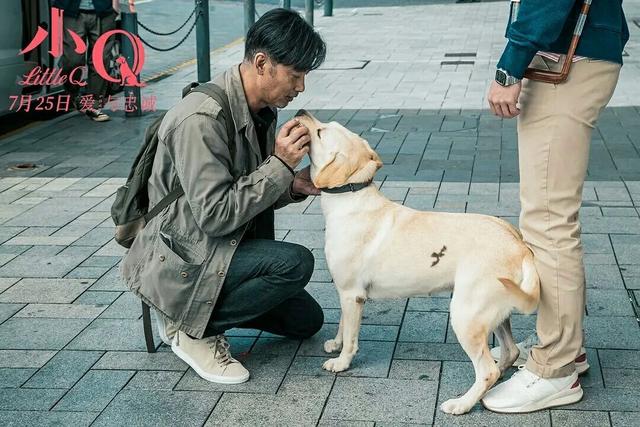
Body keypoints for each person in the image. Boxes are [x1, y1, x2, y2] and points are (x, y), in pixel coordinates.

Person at [120, 9, 327, 384]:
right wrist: (279, 165)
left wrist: (292, 185)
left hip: (218, 246)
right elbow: (216, 215)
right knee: (295, 263)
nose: (300, 88)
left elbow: (245, 190)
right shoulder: (203, 119)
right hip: (183, 257)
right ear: (262, 63)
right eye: (295, 75)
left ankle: (203, 310)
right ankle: (188, 326)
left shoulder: (260, 110)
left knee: (307, 321)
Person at [482, 0, 629, 413]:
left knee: (548, 221)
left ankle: (556, 369)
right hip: (579, 48)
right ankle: (568, 349)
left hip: (569, 56)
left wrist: (510, 64)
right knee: (551, 217)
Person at [52, 0, 119, 121]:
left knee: (100, 60)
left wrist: (115, 6)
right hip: (71, 10)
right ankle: (74, 94)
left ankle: (93, 105)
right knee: (72, 61)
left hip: (103, 11)